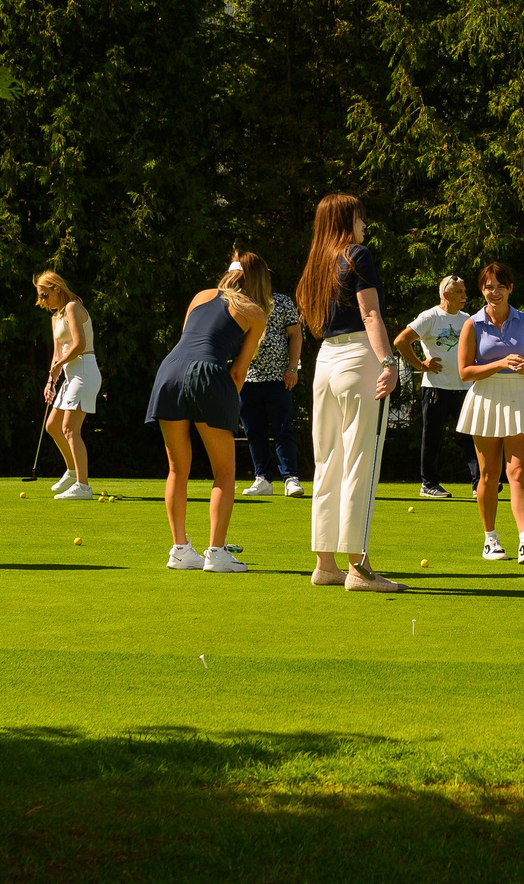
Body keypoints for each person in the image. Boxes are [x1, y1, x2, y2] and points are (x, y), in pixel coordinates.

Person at [296, 194, 408, 592]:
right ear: (348, 218)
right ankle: (359, 568)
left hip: (325, 362)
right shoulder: (356, 254)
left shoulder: (317, 262)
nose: (365, 223)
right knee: (360, 460)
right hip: (359, 357)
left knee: (327, 461)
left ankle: (325, 565)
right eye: (361, 216)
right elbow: (371, 313)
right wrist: (389, 363)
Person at [146, 257, 271, 572]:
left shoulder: (200, 296)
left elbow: (191, 339)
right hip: (209, 375)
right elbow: (239, 372)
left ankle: (180, 551)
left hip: (169, 371)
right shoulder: (255, 313)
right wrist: (226, 403)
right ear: (258, 281)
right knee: (225, 472)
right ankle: (216, 553)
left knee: (177, 469)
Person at [455, 263, 524, 564]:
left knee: (519, 473)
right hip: (485, 398)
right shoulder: (472, 324)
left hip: (519, 396)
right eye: (488, 287)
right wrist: (499, 364)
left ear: (510, 288)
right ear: (481, 290)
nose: (494, 292)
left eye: (500, 286)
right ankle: (490, 540)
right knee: (488, 475)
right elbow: (464, 372)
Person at [395, 276, 480, 501]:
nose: (465, 296)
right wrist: (420, 365)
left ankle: (479, 484)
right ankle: (429, 484)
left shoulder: (467, 319)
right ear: (446, 294)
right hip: (436, 388)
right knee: (432, 438)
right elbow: (401, 341)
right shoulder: (430, 317)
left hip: (464, 388)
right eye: (460, 292)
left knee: (472, 436)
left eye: (464, 290)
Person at [237, 262, 304, 499]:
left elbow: (295, 334)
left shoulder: (283, 302)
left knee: (283, 428)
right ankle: (262, 478)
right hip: (247, 378)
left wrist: (292, 367)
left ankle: (290, 478)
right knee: (254, 431)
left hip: (279, 377)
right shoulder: (240, 304)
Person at [37, 270, 101, 501]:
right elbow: (57, 353)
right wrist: (50, 381)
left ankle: (83, 487)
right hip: (70, 373)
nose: (43, 301)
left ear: (57, 288)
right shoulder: (55, 317)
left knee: (69, 429)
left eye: (45, 295)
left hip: (85, 371)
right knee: (53, 425)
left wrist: (60, 365)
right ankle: (73, 473)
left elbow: (79, 344)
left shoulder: (73, 307)